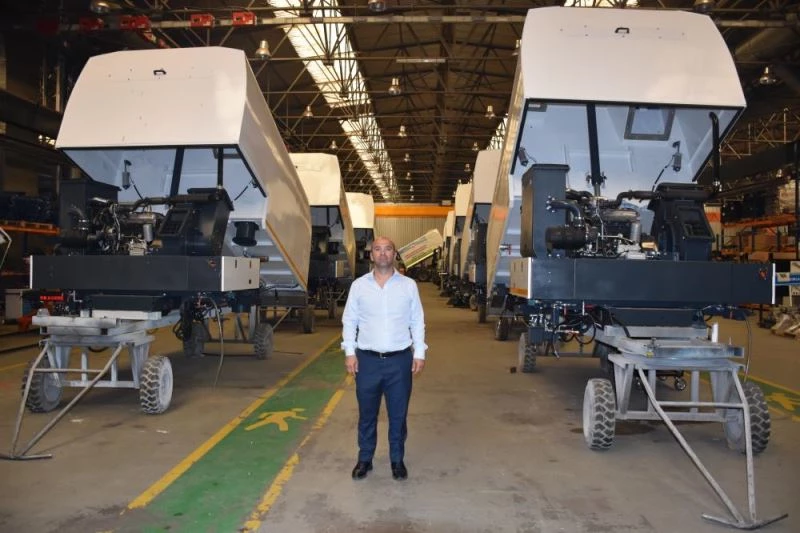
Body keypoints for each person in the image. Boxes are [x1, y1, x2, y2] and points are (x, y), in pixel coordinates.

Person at [341, 236, 426, 481]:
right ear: (371, 255)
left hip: (399, 361)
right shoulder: (359, 286)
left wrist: (419, 353)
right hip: (367, 361)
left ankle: (397, 460)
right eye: (377, 249)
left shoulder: (408, 285)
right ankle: (364, 459)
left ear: (394, 254)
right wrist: (350, 352)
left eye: (388, 249)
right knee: (367, 414)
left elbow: (417, 320)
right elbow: (350, 320)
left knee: (398, 415)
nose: (382, 253)